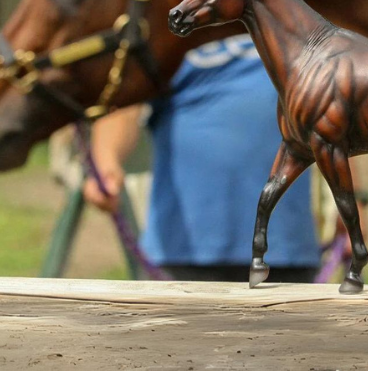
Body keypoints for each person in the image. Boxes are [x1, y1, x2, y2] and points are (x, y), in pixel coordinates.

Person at [84, 33, 321, 282]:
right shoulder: (169, 25)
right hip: (181, 254)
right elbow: (126, 103)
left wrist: (354, 200)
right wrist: (106, 161)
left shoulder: (291, 20)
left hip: (287, 250)